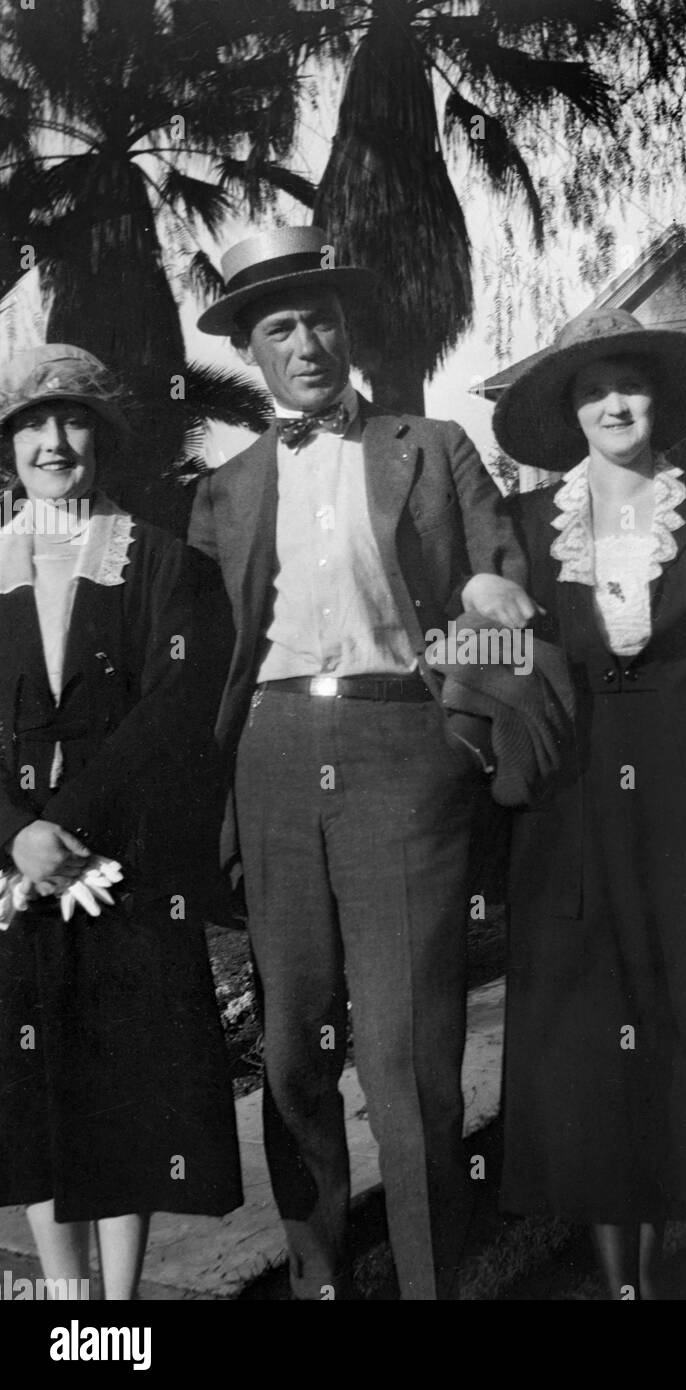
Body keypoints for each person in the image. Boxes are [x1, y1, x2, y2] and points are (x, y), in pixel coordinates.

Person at [188, 226, 535, 1300]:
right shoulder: (224, 489)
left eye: (320, 318)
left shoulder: (433, 446)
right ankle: (320, 1279)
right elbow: (198, 668)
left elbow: (503, 579)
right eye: (279, 325)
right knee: (293, 1047)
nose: (306, 341)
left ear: (348, 326)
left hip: (405, 748)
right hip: (274, 757)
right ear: (251, 346)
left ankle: (433, 1287)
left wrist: (487, 609)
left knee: (409, 1052)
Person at [491, 305, 686, 1299]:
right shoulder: (526, 530)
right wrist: (477, 615)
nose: (615, 402)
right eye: (593, 389)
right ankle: (614, 1274)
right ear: (570, 412)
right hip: (570, 806)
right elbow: (479, 652)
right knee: (585, 1039)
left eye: (628, 384)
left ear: (656, 401)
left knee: (672, 1023)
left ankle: (656, 1270)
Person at [0, 344, 242, 1300]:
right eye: (32, 426)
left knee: (122, 1084)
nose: (54, 443)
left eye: (73, 423)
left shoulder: (164, 563)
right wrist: (16, 834)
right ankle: (69, 1306)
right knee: (33, 1085)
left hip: (124, 869)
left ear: (101, 438)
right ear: (9, 447)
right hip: (14, 874)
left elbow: (178, 710)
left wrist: (68, 825)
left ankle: (120, 1304)